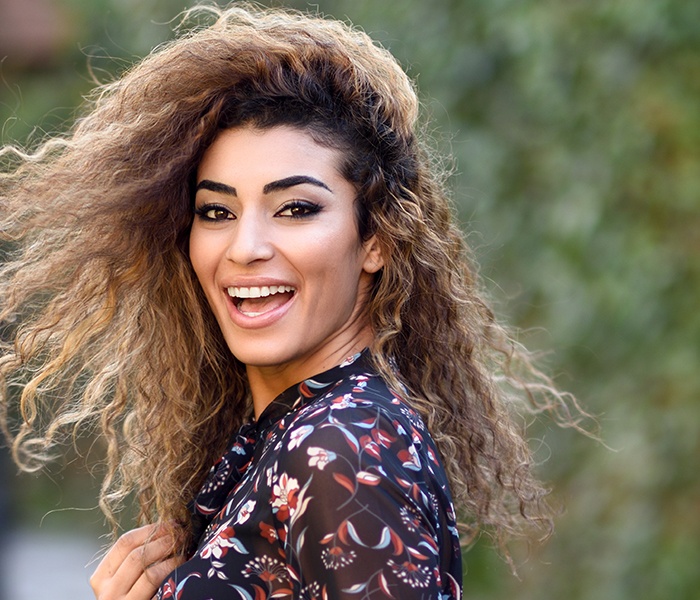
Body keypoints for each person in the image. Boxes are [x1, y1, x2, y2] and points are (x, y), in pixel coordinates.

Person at [0, 4, 583, 599]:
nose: (245, 247)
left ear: (376, 239)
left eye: (296, 209)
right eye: (216, 212)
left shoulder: (341, 451)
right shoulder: (286, 437)